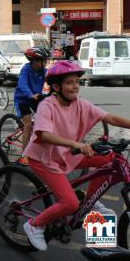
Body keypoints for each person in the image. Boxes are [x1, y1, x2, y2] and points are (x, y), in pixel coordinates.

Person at [21, 60, 130, 251]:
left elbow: (110, 118)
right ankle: (34, 224)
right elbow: (44, 135)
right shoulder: (48, 105)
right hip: (44, 159)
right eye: (70, 82)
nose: (76, 86)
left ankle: (90, 202)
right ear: (56, 86)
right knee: (70, 203)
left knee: (111, 159)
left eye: (77, 82)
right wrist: (75, 144)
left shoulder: (80, 104)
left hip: (69, 153)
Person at [14, 46, 51, 165]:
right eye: (43, 60)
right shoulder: (26, 69)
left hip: (37, 98)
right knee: (28, 124)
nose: (45, 62)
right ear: (34, 60)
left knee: (47, 119)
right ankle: (24, 155)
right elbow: (22, 84)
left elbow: (53, 80)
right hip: (23, 99)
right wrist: (30, 94)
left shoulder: (44, 71)